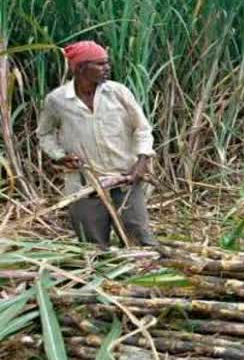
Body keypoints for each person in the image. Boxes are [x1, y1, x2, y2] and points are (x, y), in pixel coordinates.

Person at [37, 40, 157, 246]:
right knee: (93, 245)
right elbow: (44, 134)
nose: (107, 68)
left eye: (107, 63)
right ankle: (101, 277)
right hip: (84, 183)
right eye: (100, 64)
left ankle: (144, 275)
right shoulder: (58, 100)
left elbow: (143, 128)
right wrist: (60, 156)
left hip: (125, 178)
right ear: (81, 68)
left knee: (140, 239)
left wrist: (142, 161)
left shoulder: (118, 92)